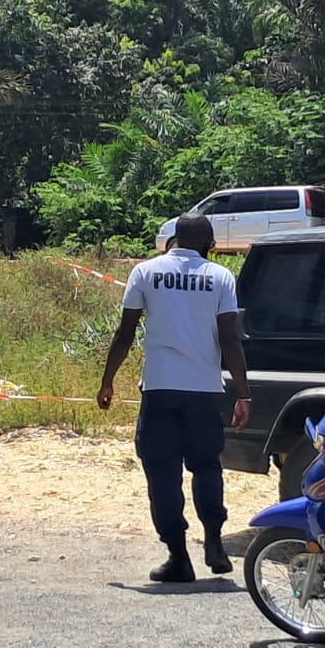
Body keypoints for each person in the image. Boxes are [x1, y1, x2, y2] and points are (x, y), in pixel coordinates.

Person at [98, 213, 251, 583]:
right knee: (207, 466)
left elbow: (125, 332)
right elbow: (229, 339)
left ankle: (178, 557)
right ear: (209, 244)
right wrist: (243, 393)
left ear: (175, 240)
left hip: (160, 389)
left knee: (163, 474)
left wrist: (107, 381)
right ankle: (214, 541)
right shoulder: (220, 277)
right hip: (204, 391)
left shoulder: (145, 272)